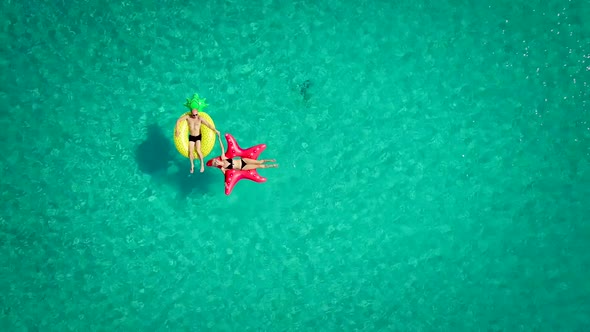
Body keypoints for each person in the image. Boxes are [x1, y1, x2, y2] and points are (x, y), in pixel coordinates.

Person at [175, 108, 221, 173]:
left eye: (196, 114)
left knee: (198, 150)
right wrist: (177, 130)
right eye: (194, 115)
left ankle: (202, 165)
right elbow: (178, 120)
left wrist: (216, 130)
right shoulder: (188, 117)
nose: (195, 116)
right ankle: (192, 165)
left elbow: (208, 125)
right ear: (191, 114)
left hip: (198, 137)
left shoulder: (200, 118)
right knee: (190, 152)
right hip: (191, 137)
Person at [211, 155, 278, 174]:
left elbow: (222, 146)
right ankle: (272, 166)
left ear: (217, 160)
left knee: (259, 162)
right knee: (259, 166)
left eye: (216, 161)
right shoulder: (223, 168)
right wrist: (226, 184)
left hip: (243, 160)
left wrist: (219, 137)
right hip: (243, 167)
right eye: (215, 163)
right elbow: (226, 177)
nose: (217, 162)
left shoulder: (223, 158)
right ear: (216, 165)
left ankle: (271, 160)